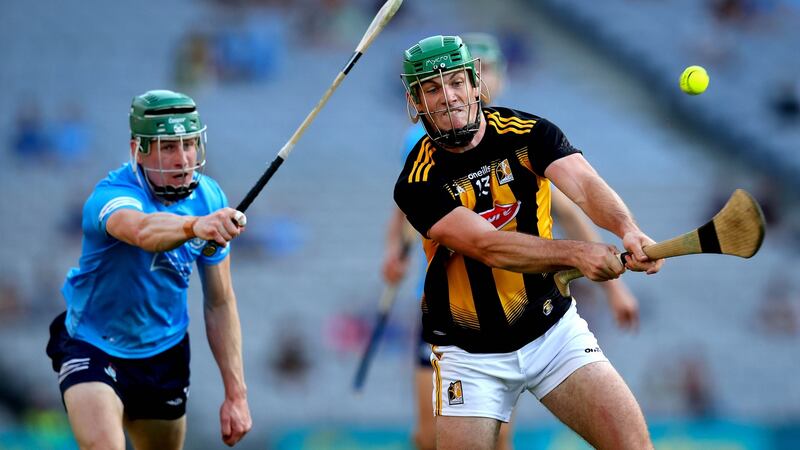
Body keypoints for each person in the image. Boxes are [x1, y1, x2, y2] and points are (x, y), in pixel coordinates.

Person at [393, 35, 663, 450]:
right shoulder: (418, 180)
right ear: (417, 104)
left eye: (456, 82)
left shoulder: (528, 133)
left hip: (553, 332)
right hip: (469, 354)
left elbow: (585, 187)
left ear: (475, 83)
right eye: (431, 89)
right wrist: (577, 253)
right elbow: (489, 246)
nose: (447, 97)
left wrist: (627, 228)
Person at [45, 90, 252, 449]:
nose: (183, 159)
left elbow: (219, 301)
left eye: (188, 144)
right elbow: (143, 230)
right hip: (93, 344)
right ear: (137, 150)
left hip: (164, 354)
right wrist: (194, 226)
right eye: (168, 147)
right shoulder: (112, 196)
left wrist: (236, 394)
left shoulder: (210, 197)